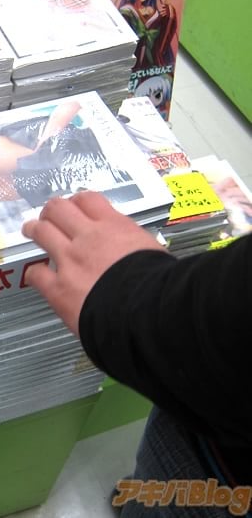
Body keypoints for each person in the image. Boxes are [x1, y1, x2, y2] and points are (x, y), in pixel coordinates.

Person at [21, 190, 252, 517]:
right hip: (210, 412)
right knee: (154, 485)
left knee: (167, 495)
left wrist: (135, 295)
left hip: (227, 469)